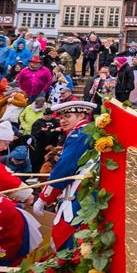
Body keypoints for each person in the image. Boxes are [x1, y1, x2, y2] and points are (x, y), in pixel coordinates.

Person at [33, 101, 97, 250]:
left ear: (81, 115)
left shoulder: (79, 134)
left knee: (69, 238)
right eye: (61, 117)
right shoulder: (86, 131)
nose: (62, 120)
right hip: (85, 191)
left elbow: (64, 168)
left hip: (79, 193)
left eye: (68, 116)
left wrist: (44, 197)